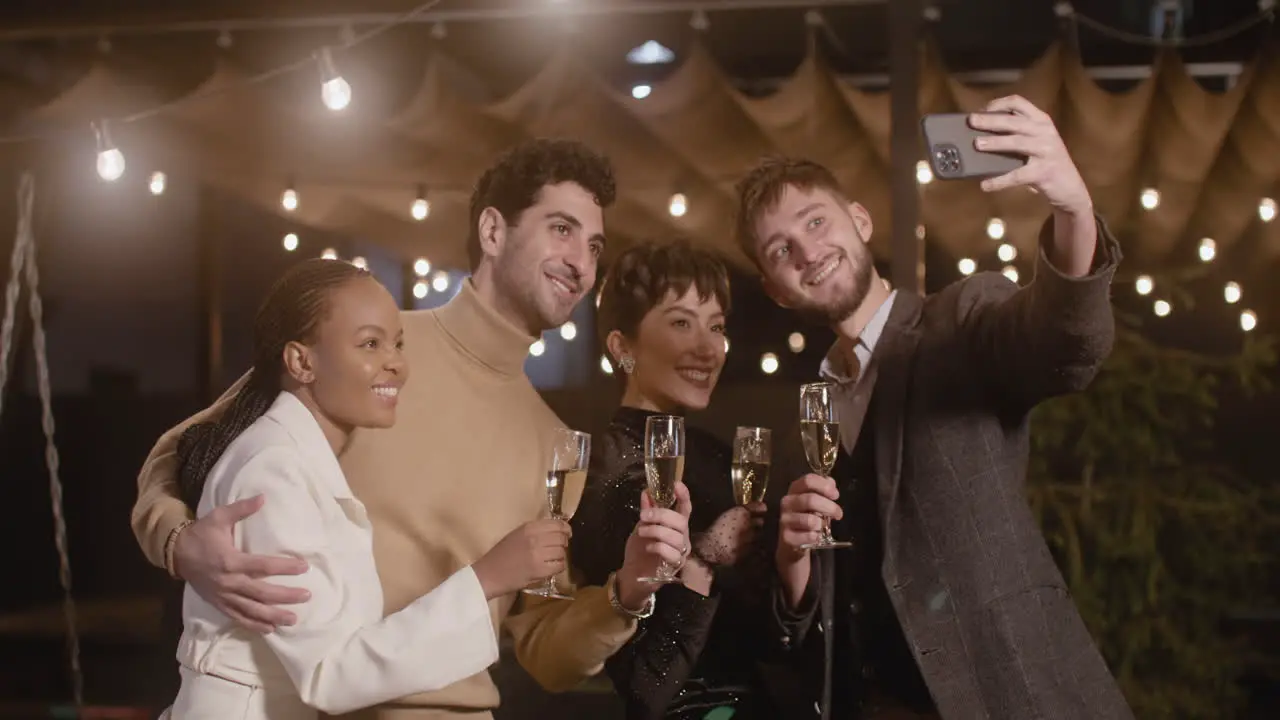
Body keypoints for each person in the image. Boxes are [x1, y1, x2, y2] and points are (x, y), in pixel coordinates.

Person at [132, 139, 692, 720]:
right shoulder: (367, 349)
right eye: (561, 229)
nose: (581, 262)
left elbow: (546, 657)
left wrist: (627, 593)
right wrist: (178, 543)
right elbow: (179, 456)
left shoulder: (555, 443)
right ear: (493, 232)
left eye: (594, 245)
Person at [734, 97, 1136, 719]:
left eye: (816, 223)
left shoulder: (961, 320)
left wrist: (1072, 208)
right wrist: (792, 563)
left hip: (1010, 695)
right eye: (781, 250)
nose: (807, 253)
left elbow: (1064, 343)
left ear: (860, 220)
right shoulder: (803, 431)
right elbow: (800, 623)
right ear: (774, 289)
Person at [162, 258, 563, 719]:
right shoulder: (272, 472)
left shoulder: (297, 459)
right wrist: (487, 578)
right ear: (301, 361)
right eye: (370, 344)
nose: (396, 364)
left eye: (397, 344)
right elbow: (328, 673)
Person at [572, 239, 804, 719]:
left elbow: (775, 641)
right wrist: (704, 559)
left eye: (716, 326)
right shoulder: (609, 476)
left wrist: (792, 556)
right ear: (623, 348)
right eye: (681, 322)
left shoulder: (715, 454)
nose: (707, 348)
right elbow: (647, 686)